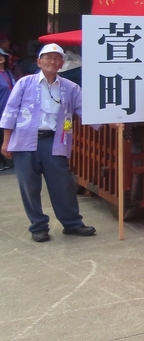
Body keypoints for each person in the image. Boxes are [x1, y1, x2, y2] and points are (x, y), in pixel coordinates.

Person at [0, 43, 94, 242]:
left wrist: (113, 118)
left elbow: (86, 110)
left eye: (57, 58)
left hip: (54, 141)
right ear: (39, 62)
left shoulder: (70, 88)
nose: (52, 61)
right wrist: (6, 141)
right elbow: (10, 112)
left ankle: (72, 223)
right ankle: (38, 226)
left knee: (63, 184)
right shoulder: (25, 83)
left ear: (62, 63)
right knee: (29, 186)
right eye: (48, 58)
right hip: (25, 141)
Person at [0, 47, 16, 170]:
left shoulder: (9, 72)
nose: (0, 58)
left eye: (2, 55)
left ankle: (7, 160)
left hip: (10, 110)